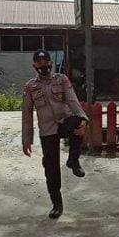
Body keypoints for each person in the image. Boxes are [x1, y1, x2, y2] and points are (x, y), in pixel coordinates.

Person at [22, 49, 88, 219]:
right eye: (39, 63)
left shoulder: (62, 80)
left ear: (51, 63)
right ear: (34, 65)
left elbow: (73, 100)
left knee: (77, 121)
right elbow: (27, 114)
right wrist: (26, 140)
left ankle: (73, 160)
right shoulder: (30, 87)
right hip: (47, 130)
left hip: (63, 122)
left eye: (46, 62)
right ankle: (56, 204)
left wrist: (84, 120)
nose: (43, 66)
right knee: (51, 168)